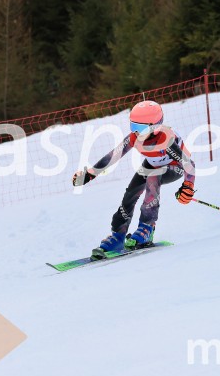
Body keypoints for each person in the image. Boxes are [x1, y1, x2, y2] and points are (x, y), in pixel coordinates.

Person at [72, 100, 196, 259]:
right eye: (133, 126)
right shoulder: (134, 138)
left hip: (174, 167)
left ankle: (147, 227)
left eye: (141, 128)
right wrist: (89, 174)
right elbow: (112, 156)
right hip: (152, 165)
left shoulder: (166, 140)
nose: (136, 132)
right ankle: (118, 235)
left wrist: (188, 186)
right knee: (130, 193)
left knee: (153, 178)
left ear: (155, 126)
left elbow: (188, 164)